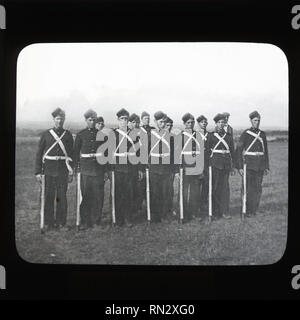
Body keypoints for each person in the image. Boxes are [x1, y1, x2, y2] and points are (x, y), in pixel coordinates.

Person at [35, 107, 74, 230]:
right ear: (53, 119)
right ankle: (48, 222)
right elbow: (39, 153)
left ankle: (61, 223)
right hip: (48, 170)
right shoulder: (46, 134)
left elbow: (71, 154)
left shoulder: (67, 135)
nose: (60, 121)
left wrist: (71, 171)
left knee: (61, 197)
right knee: (48, 197)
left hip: (62, 170)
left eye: (62, 118)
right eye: (57, 118)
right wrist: (37, 172)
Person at [73, 109, 107, 230]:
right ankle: (85, 221)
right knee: (86, 196)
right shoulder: (81, 135)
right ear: (86, 120)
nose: (92, 122)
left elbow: (106, 154)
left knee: (98, 196)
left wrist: (106, 170)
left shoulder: (102, 135)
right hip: (86, 170)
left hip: (98, 170)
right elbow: (75, 153)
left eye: (94, 120)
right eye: (90, 120)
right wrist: (75, 168)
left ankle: (96, 221)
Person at [109, 108, 142, 226]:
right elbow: (109, 153)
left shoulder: (133, 134)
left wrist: (139, 169)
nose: (124, 121)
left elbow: (138, 152)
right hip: (118, 168)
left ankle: (128, 218)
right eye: (121, 119)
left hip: (130, 168)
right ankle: (118, 219)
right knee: (118, 194)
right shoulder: (113, 134)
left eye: (126, 119)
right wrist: (110, 169)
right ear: (118, 120)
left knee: (129, 194)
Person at [235, 110, 269, 217]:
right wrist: (239, 167)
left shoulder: (262, 134)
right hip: (248, 165)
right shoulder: (246, 134)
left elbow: (265, 151)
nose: (257, 122)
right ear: (251, 121)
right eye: (255, 120)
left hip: (260, 165)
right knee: (247, 188)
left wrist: (266, 166)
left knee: (258, 188)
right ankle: (246, 210)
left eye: (258, 120)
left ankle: (254, 210)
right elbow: (238, 150)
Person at [147, 111, 175, 222]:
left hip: (166, 168)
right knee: (155, 192)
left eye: (164, 122)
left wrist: (174, 170)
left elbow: (173, 154)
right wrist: (143, 167)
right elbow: (144, 152)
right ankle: (155, 215)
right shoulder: (149, 135)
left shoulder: (170, 136)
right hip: (154, 168)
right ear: (155, 122)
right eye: (160, 121)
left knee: (165, 192)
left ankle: (164, 215)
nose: (163, 124)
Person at [177, 113, 205, 222]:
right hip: (184, 167)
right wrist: (177, 170)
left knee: (195, 192)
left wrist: (201, 168)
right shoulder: (180, 136)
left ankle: (194, 213)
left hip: (195, 167)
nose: (191, 124)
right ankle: (183, 214)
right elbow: (176, 154)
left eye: (192, 122)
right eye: (188, 122)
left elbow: (200, 153)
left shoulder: (198, 136)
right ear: (184, 123)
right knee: (183, 192)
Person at [207, 113, 235, 220]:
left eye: (223, 122)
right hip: (215, 164)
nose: (221, 124)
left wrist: (233, 166)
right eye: (219, 122)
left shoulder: (228, 136)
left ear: (225, 124)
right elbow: (207, 152)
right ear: (215, 123)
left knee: (225, 189)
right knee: (215, 188)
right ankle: (215, 211)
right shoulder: (211, 136)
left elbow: (232, 151)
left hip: (226, 165)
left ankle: (224, 211)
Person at [196, 115, 209, 217]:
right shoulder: (194, 135)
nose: (204, 124)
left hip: (208, 163)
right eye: (202, 122)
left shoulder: (210, 135)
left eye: (205, 122)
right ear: (198, 124)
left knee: (206, 186)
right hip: (197, 163)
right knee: (197, 186)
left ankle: (204, 205)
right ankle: (196, 207)